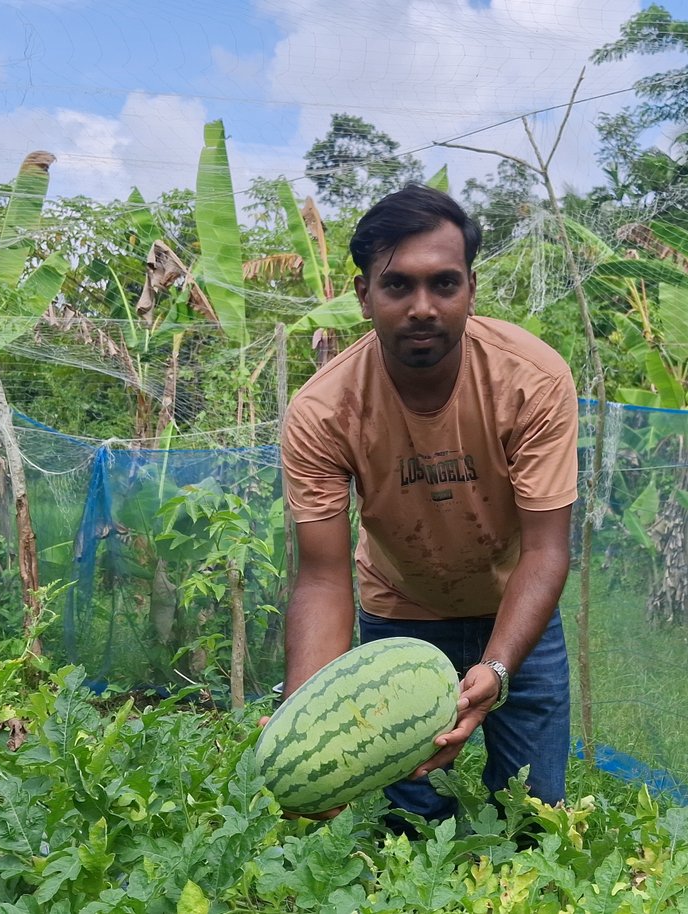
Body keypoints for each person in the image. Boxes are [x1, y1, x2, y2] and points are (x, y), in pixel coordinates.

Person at [278, 183, 579, 824]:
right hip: (400, 614)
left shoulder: (533, 378)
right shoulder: (323, 410)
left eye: (444, 284)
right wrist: (305, 726)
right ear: (364, 295)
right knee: (407, 825)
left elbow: (548, 549)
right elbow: (324, 575)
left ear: (470, 287)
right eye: (397, 286)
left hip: (514, 605)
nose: (422, 307)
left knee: (532, 814)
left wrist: (497, 664)